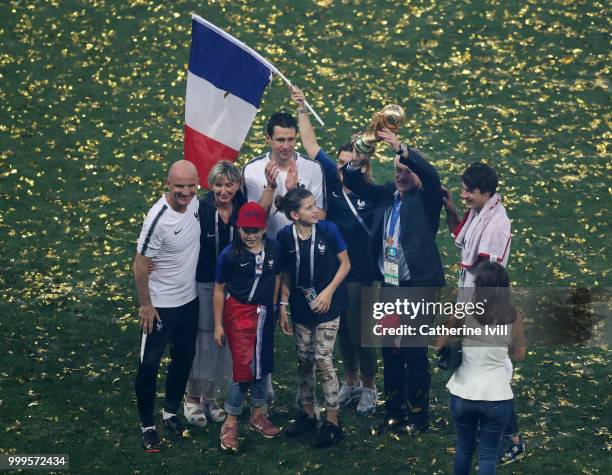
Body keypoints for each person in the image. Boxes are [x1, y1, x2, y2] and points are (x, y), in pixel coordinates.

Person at [342, 131, 445, 435]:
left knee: (413, 353)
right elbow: (357, 183)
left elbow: (430, 173)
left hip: (418, 287)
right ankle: (394, 411)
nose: (401, 176)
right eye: (398, 170)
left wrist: (403, 149)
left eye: (407, 171)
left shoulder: (427, 198)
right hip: (390, 287)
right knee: (391, 351)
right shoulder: (388, 195)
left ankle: (418, 415)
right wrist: (359, 159)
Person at [290, 86, 379, 414]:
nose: (342, 168)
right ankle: (351, 382)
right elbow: (311, 145)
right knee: (341, 332)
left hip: (362, 272)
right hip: (335, 270)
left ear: (364, 166)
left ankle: (370, 387)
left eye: (350, 164)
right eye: (340, 163)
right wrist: (301, 107)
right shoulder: (332, 178)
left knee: (362, 333)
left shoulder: (371, 192)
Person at [442, 163, 523, 463]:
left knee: (493, 370)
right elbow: (460, 235)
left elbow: (488, 271)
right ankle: (491, 431)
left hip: (486, 304)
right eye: (462, 189)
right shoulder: (481, 211)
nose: (464, 195)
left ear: (486, 192)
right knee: (483, 368)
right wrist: (451, 208)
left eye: (468, 191)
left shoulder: (497, 223)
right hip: (473, 299)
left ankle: (512, 438)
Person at [133, 160, 201, 452]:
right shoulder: (158, 218)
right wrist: (146, 305)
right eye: (179, 187)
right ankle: (147, 425)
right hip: (161, 304)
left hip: (190, 299)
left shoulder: (196, 202)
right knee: (149, 364)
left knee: (185, 355)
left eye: (190, 186)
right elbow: (139, 264)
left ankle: (170, 411)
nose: (185, 193)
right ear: (167, 184)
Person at [213, 202, 290, 452]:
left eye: (255, 230)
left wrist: (278, 306)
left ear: (264, 229)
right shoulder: (230, 254)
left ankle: (258, 414)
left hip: (265, 312)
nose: (250, 235)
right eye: (245, 230)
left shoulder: (274, 249)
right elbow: (219, 289)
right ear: (238, 229)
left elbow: (278, 276)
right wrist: (218, 325)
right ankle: (231, 420)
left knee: (263, 362)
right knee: (244, 365)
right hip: (240, 313)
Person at [276, 188, 351, 447]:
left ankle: (332, 422)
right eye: (309, 208)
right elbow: (286, 272)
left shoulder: (329, 230)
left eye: (315, 205)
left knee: (322, 359)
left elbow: (345, 264)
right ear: (295, 215)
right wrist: (283, 305)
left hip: (328, 305)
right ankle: (308, 414)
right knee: (304, 360)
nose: (315, 210)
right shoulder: (285, 236)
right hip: (300, 307)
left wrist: (329, 292)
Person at [436, 262, 526, 475]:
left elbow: (439, 345)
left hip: (463, 392)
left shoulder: (463, 311)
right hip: (496, 396)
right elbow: (519, 354)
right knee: (488, 454)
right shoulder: (513, 316)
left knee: (464, 449)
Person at [182, 161, 243, 427]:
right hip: (204, 283)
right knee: (203, 339)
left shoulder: (241, 208)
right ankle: (192, 397)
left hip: (232, 287)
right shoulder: (201, 209)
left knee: (224, 342)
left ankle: (211, 397)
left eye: (229, 184)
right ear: (210, 186)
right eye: (218, 184)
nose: (223, 190)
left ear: (237, 186)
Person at [242, 111, 327, 239]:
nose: (286, 146)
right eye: (281, 140)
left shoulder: (314, 168)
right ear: (268, 139)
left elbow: (320, 217)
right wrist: (270, 188)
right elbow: (252, 222)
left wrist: (294, 192)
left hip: (302, 245)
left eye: (290, 139)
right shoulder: (251, 170)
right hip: (267, 247)